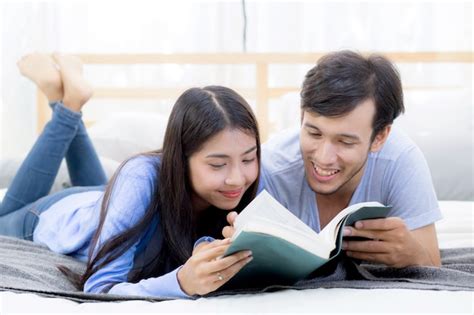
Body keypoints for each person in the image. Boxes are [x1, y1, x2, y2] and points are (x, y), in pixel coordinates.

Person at [0, 53, 259, 298]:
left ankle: (64, 99)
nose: (237, 178)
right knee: (3, 221)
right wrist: (180, 282)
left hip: (105, 202)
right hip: (61, 214)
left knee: (111, 194)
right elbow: (100, 287)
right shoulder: (139, 177)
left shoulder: (255, 180)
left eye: (248, 158)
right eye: (217, 165)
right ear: (180, 159)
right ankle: (66, 105)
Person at [224, 50, 442, 268]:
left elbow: (432, 264)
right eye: (314, 133)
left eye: (345, 142)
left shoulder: (400, 161)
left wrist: (412, 254)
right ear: (301, 117)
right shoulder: (270, 168)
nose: (323, 157)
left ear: (379, 137)